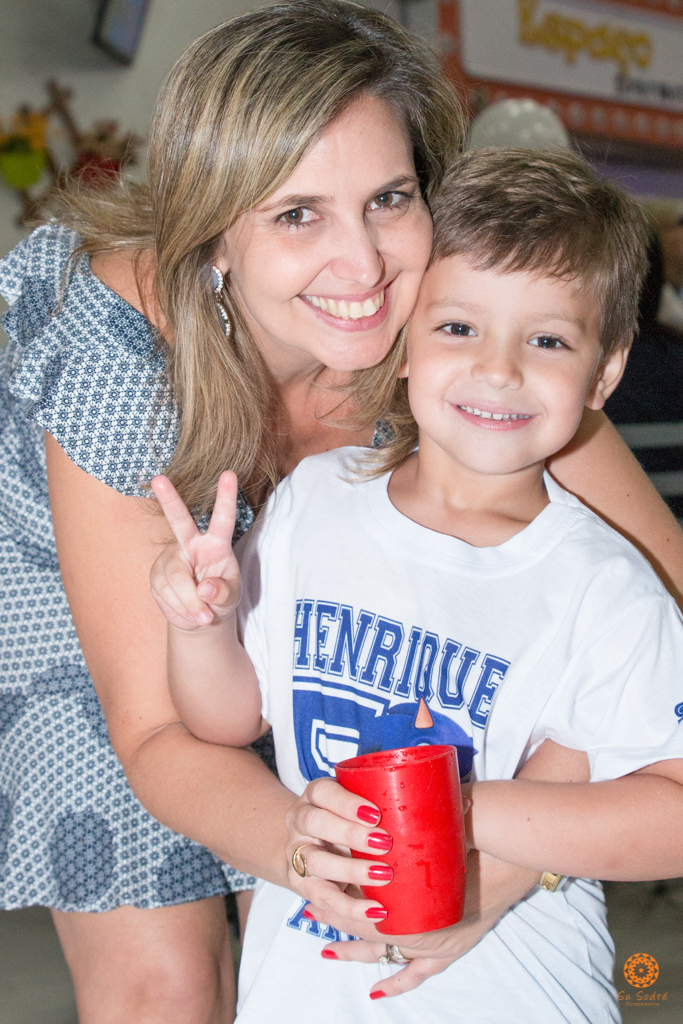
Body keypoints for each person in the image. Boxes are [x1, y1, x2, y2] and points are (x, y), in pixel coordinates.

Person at [1, 2, 683, 1019]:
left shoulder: (457, 325)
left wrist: (498, 848)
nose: (360, 267)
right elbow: (159, 732)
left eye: (388, 198)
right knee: (170, 984)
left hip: (296, 628)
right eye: (295, 213)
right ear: (215, 230)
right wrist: (290, 842)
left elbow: (641, 611)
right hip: (107, 572)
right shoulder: (117, 363)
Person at [149, 150, 683, 1023]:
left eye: (546, 340)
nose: (498, 369)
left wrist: (459, 810)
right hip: (300, 993)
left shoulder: (601, 583)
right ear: (401, 342)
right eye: (458, 329)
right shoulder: (316, 503)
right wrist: (199, 626)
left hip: (516, 993)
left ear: (604, 373)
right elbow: (228, 720)